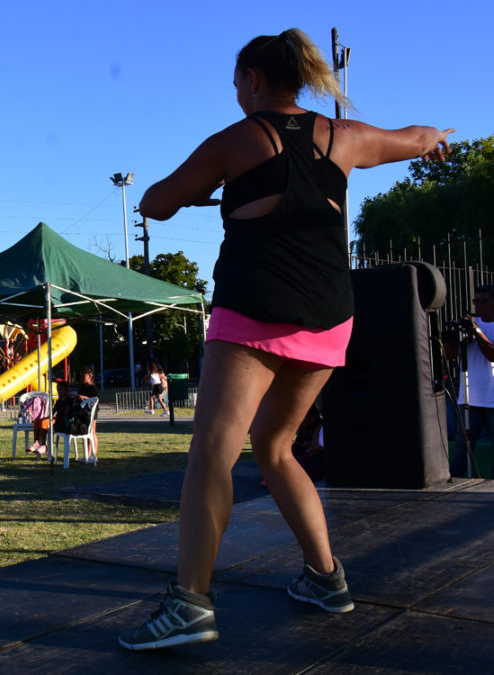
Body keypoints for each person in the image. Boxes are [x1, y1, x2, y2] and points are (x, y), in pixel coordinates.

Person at [118, 28, 453, 651]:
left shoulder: (239, 139)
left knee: (212, 454)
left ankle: (190, 605)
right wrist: (433, 141)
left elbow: (157, 203)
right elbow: (412, 138)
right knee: (275, 447)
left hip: (254, 316)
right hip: (328, 325)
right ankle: (327, 580)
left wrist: (184, 190)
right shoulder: (344, 137)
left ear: (251, 79)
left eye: (236, 83)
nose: (236, 92)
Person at [449, 286, 494, 476]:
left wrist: (477, 332)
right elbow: (449, 355)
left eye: (483, 301)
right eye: (476, 301)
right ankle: (456, 483)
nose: (478, 306)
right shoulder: (469, 326)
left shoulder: (478, 328)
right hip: (469, 398)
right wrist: (453, 336)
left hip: (492, 399)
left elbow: (492, 354)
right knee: (462, 448)